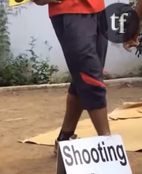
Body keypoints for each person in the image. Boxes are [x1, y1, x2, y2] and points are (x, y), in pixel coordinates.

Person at [34, 0, 110, 155]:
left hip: (98, 8)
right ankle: (109, 146)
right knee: (90, 77)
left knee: (87, 76)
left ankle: (65, 138)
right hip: (70, 11)